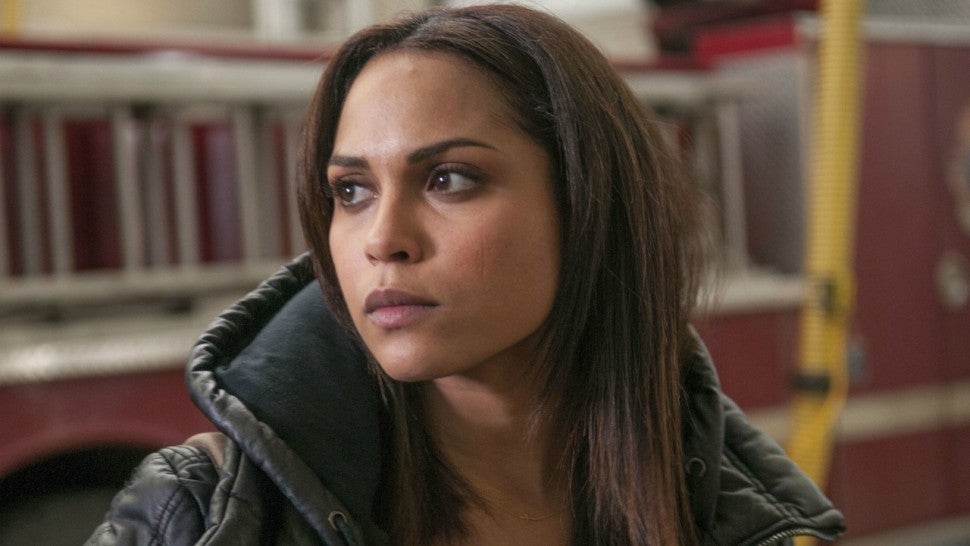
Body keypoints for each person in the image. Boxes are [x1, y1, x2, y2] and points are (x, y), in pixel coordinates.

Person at [87, 4, 845, 545]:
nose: (383, 240)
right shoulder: (201, 511)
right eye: (351, 191)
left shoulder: (735, 510)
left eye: (449, 179)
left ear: (588, 205)